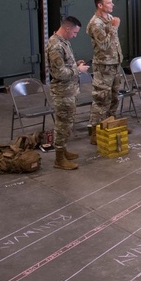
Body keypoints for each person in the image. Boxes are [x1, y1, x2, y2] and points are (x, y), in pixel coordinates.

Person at [46, 16, 90, 171]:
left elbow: (65, 66)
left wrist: (75, 64)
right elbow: (59, 73)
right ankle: (59, 159)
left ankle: (63, 151)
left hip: (69, 91)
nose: (75, 36)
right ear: (67, 29)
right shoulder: (55, 46)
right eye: (74, 32)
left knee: (67, 124)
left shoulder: (64, 42)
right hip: (62, 93)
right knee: (63, 125)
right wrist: (78, 70)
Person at [86, 0, 125, 145]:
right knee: (101, 99)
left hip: (115, 64)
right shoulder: (96, 23)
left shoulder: (109, 19)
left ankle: (110, 125)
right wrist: (114, 28)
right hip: (104, 66)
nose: (112, 5)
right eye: (109, 3)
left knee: (115, 96)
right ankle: (96, 132)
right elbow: (104, 45)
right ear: (100, 5)